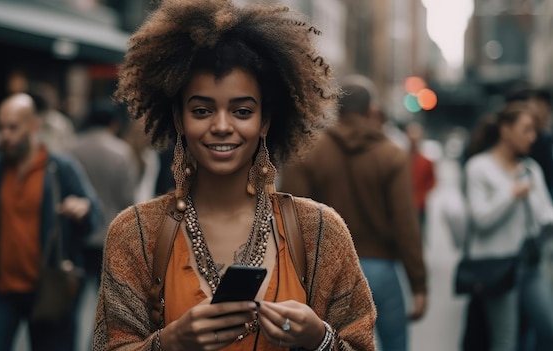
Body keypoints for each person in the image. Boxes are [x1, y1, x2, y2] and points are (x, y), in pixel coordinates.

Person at [93, 1, 376, 350]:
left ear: (265, 122)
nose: (222, 126)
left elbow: (360, 343)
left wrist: (320, 339)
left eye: (242, 111)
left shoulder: (319, 231)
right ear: (180, 119)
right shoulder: (134, 233)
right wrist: (169, 342)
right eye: (202, 110)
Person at [280, 75, 427, 351]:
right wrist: (419, 285)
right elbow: (406, 225)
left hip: (325, 274)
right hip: (381, 268)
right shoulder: (391, 154)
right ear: (370, 110)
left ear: (336, 108)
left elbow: (290, 217)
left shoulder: (307, 152)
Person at [0, 93, 102, 351]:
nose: (5, 135)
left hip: (49, 290)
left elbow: (95, 216)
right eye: (1, 127)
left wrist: (82, 210)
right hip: (1, 291)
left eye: (13, 127)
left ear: (34, 124)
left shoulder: (60, 168)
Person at [463, 104, 553, 351]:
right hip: (498, 267)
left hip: (528, 263)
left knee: (547, 328)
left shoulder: (530, 168)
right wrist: (511, 193)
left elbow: (544, 214)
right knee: (505, 339)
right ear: (505, 130)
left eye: (534, 131)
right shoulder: (478, 167)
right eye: (526, 130)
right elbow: (480, 219)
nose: (532, 137)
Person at [69, 100, 138, 284]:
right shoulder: (122, 151)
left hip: (79, 231)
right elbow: (127, 197)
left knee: (75, 294)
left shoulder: (72, 148)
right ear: (114, 123)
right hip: (109, 232)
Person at [405, 121, 436, 237]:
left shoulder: (426, 161)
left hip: (420, 205)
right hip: (405, 204)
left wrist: (422, 193)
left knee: (419, 234)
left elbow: (431, 181)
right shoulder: (401, 159)